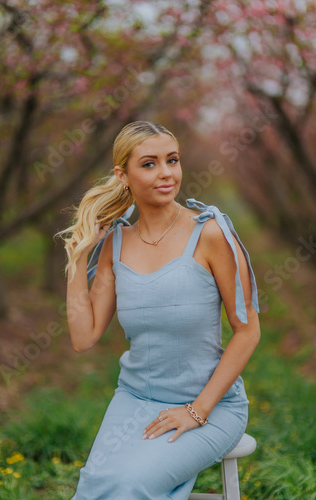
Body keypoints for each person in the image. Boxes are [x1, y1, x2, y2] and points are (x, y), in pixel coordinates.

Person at [55, 120, 261, 499]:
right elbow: (84, 338)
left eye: (173, 160)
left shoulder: (211, 233)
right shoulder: (115, 243)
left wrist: (196, 411)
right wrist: (78, 256)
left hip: (212, 406)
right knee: (95, 485)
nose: (166, 173)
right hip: (135, 399)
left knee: (133, 485)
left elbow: (248, 331)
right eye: (149, 164)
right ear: (123, 175)